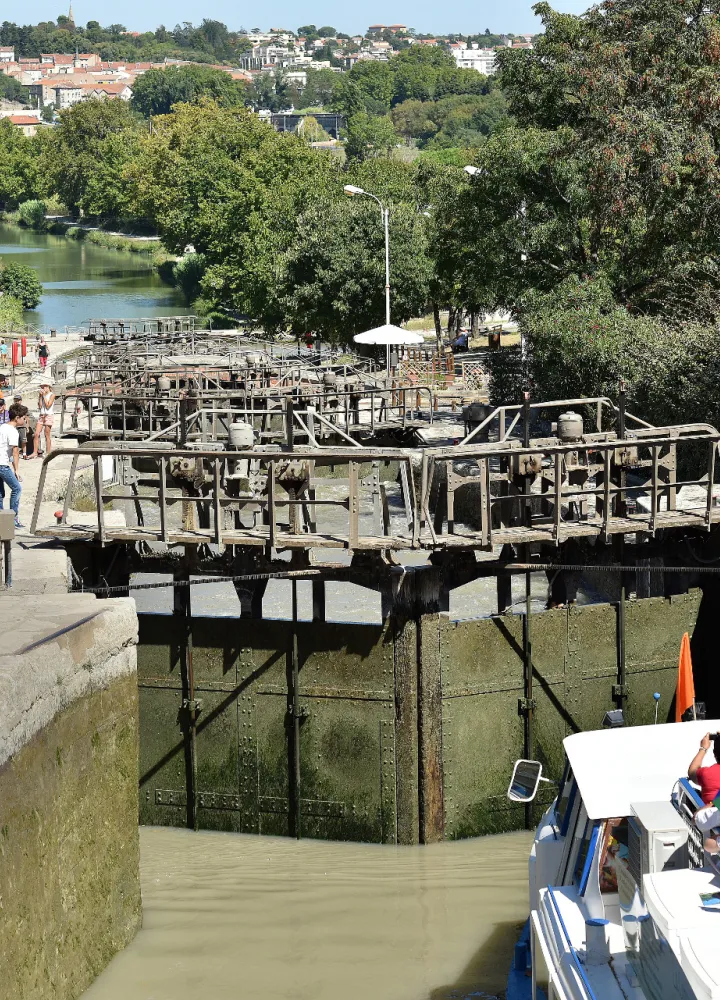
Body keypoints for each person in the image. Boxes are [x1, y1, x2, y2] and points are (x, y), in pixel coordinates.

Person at [0, 402, 28, 528]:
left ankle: (2, 518)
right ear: (17, 418)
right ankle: (13, 519)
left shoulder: (2, 427)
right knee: (17, 488)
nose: (25, 419)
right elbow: (15, 451)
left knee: (0, 492)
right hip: (2, 464)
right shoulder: (13, 431)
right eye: (23, 417)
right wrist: (16, 470)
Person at [688, 732, 720, 804]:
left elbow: (692, 772)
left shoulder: (707, 773)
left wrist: (703, 748)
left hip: (712, 813)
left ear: (714, 753)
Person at [35, 381, 55, 458]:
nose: (43, 388)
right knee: (36, 433)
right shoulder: (42, 395)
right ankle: (35, 451)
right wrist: (40, 397)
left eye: (44, 386)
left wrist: (43, 396)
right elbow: (40, 406)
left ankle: (48, 452)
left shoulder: (52, 395)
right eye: (42, 387)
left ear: (48, 387)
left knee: (47, 434)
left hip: (48, 415)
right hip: (42, 415)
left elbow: (48, 406)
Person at [13, 394, 28, 458]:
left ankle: (24, 454)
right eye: (15, 400)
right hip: (15, 426)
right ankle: (14, 453)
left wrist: (27, 427)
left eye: (18, 400)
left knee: (23, 441)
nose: (16, 402)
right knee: (14, 441)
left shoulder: (23, 408)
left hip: (22, 426)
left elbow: (27, 418)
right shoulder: (12, 408)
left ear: (21, 401)